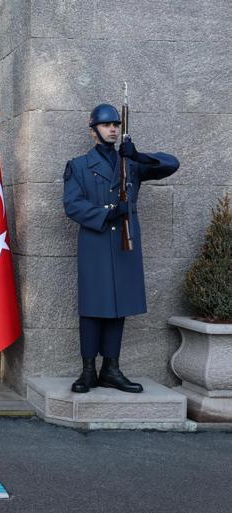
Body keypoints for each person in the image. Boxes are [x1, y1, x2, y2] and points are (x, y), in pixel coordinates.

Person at [63, 103, 179, 394]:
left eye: (116, 124)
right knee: (93, 306)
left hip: (124, 243)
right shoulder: (78, 166)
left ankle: (111, 369)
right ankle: (89, 369)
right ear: (93, 132)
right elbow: (72, 205)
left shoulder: (130, 162)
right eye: (106, 125)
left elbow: (171, 163)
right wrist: (107, 214)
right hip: (96, 240)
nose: (112, 128)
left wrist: (138, 155)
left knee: (119, 307)